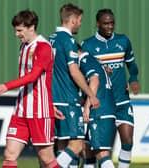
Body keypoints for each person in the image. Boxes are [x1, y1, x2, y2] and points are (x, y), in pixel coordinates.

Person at [0, 9, 60, 168]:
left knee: (47, 159)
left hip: (39, 112)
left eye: (20, 30)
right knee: (9, 155)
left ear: (32, 27)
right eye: (15, 30)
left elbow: (33, 76)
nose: (17, 34)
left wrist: (6, 86)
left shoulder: (43, 47)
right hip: (21, 111)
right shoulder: (23, 46)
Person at [81, 9, 140, 168]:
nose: (110, 26)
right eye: (106, 23)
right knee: (94, 149)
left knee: (128, 141)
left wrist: (133, 78)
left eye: (112, 23)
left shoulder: (123, 41)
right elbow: (83, 71)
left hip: (122, 100)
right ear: (98, 24)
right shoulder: (88, 45)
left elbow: (132, 64)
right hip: (102, 103)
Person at [49, 3, 99, 168]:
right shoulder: (68, 40)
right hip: (67, 99)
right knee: (77, 144)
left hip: (53, 99)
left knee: (61, 145)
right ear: (73, 20)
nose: (80, 24)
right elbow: (74, 72)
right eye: (80, 20)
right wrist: (90, 95)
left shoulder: (51, 39)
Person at [78, 44, 116, 168]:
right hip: (105, 109)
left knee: (101, 154)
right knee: (87, 150)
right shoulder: (94, 61)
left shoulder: (84, 59)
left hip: (100, 111)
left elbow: (95, 80)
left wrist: (87, 107)